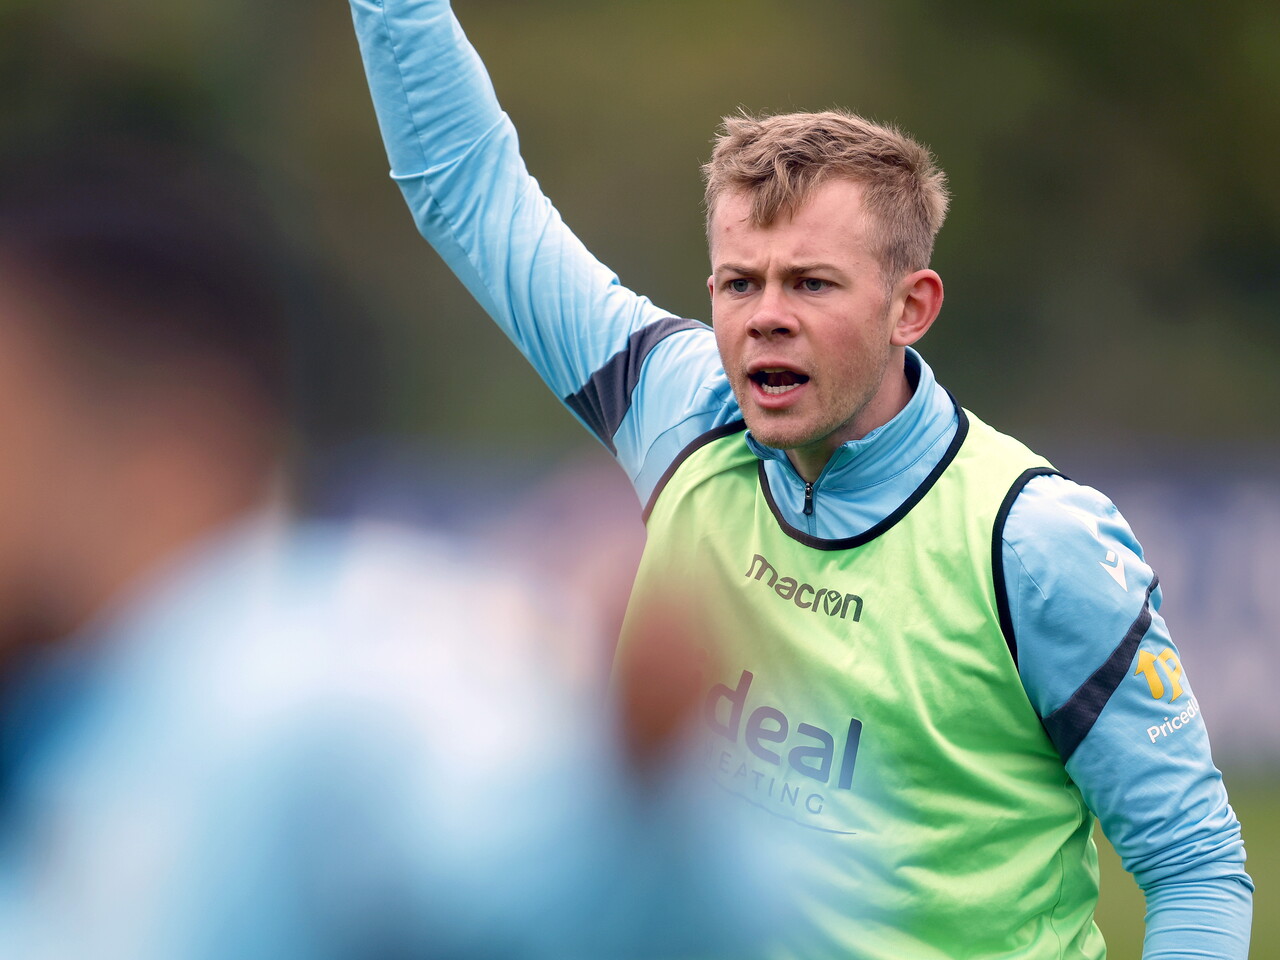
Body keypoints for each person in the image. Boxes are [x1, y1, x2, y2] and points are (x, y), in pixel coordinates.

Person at [346, 2, 1252, 958]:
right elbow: (471, 197)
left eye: (811, 284)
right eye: (741, 283)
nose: (765, 317)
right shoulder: (683, 411)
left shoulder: (1033, 541)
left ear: (913, 305)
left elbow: (1195, 868)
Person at [0, 129, 779, 959]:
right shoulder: (89, 716)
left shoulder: (307, 670)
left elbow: (538, 849)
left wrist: (632, 781)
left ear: (166, 447)